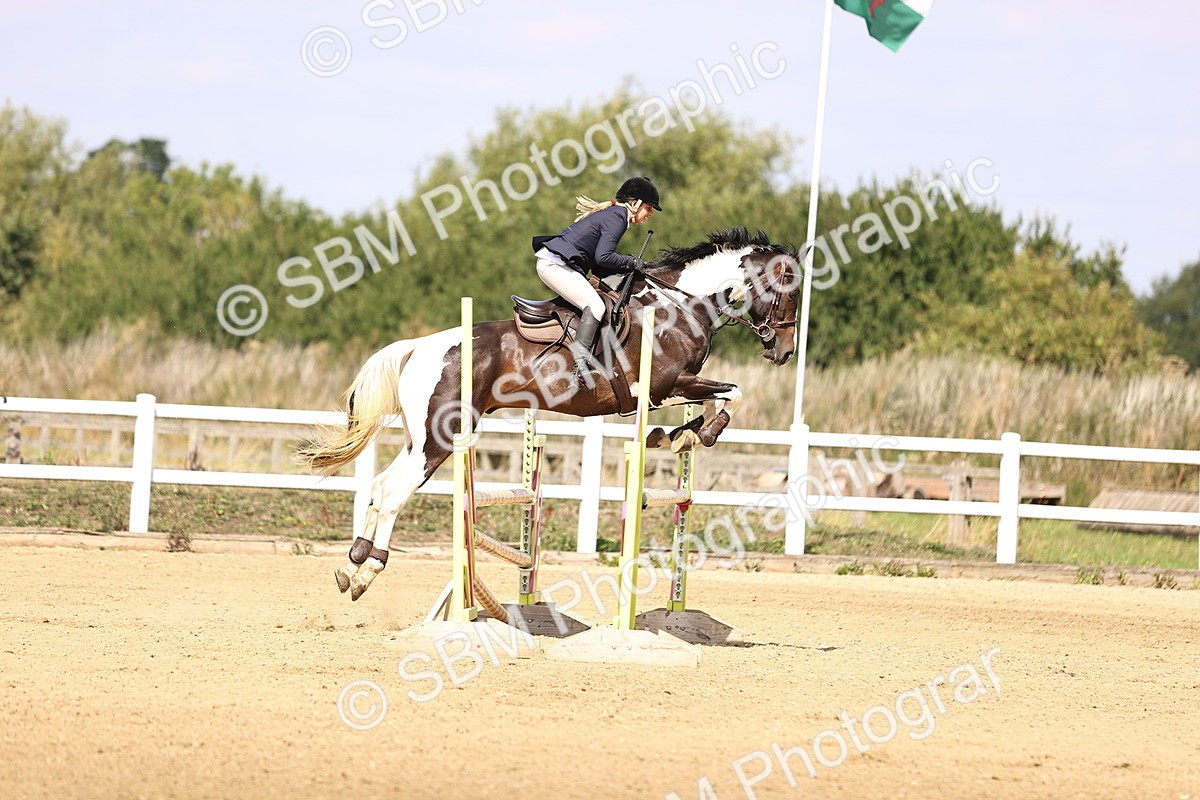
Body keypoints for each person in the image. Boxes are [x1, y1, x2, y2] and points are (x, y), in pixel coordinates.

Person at [530, 176, 661, 385]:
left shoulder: (614, 215)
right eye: (649, 207)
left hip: (556, 264)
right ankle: (579, 368)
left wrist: (628, 268)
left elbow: (599, 264)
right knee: (596, 306)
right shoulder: (618, 217)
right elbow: (604, 257)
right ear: (635, 203)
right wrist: (631, 261)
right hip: (554, 265)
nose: (651, 213)